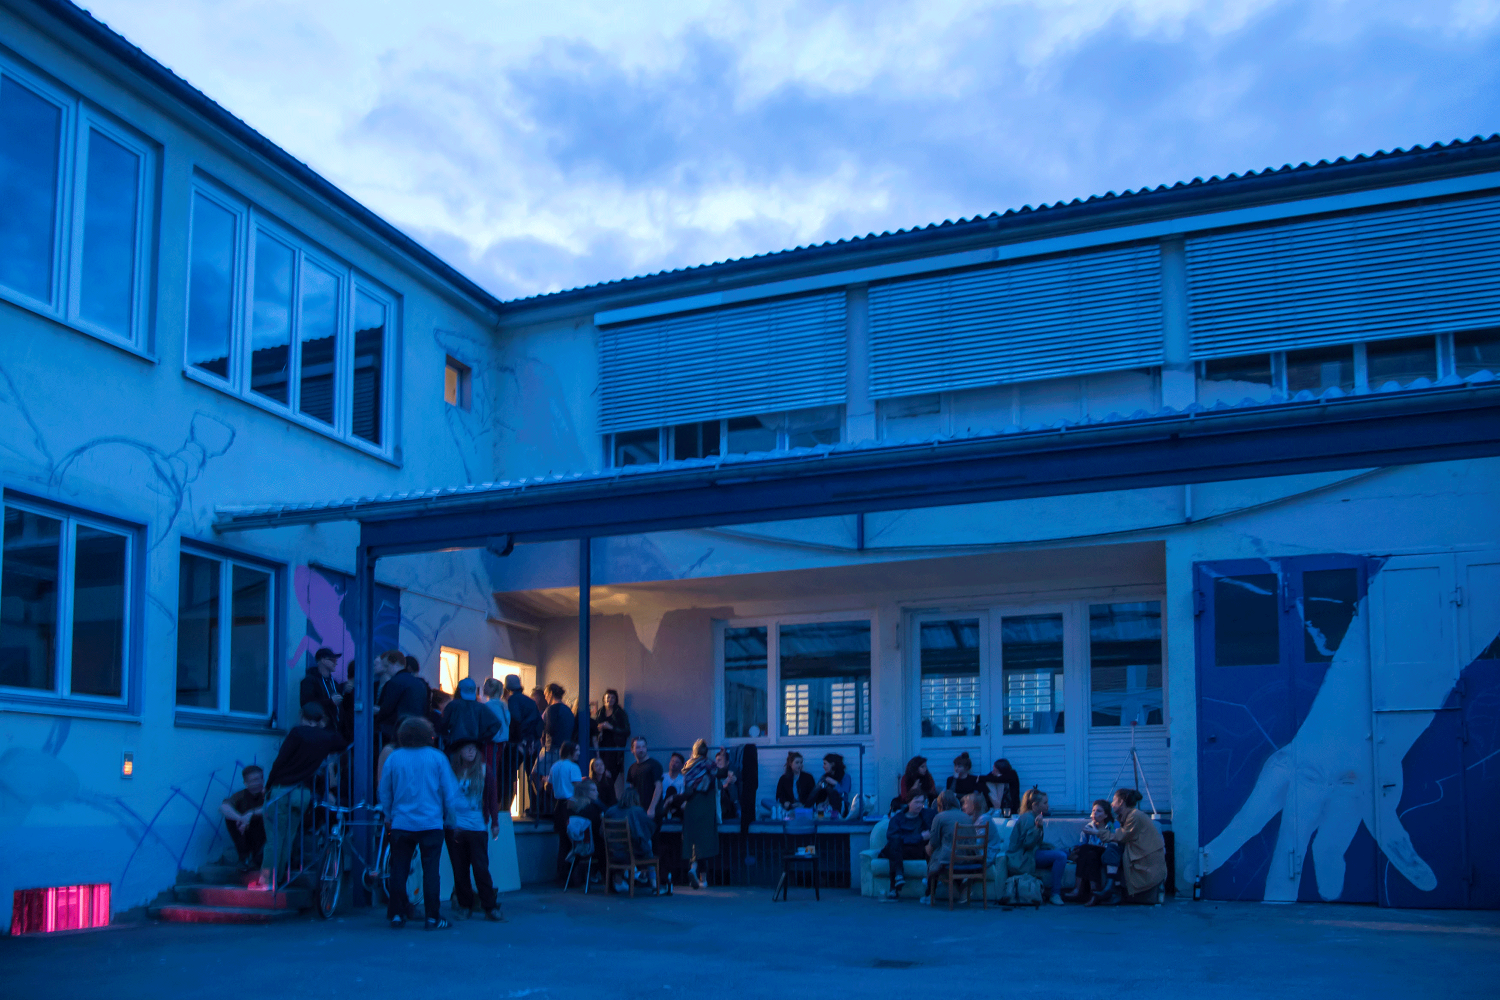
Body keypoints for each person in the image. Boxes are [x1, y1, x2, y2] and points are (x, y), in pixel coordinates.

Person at [379, 716, 466, 930]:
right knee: (430, 871)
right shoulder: (437, 758)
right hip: (431, 823)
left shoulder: (394, 758)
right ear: (428, 735)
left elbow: (385, 791)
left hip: (401, 822)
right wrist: (453, 820)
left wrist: (388, 816)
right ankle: (432, 917)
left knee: (399, 868)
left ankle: (397, 914)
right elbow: (449, 792)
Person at [259, 703, 347, 889]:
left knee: (274, 838)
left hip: (282, 789)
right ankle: (279, 878)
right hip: (303, 792)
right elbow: (341, 743)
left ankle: (267, 880)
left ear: (301, 715)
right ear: (320, 720)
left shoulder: (297, 733)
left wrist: (268, 787)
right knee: (288, 837)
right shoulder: (327, 737)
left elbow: (280, 761)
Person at [444, 740, 503, 921]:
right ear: (459, 751)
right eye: (466, 747)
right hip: (454, 825)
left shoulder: (485, 770)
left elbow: (492, 797)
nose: (471, 751)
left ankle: (489, 906)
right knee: (459, 869)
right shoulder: (452, 772)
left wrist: (494, 822)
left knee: (480, 868)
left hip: (477, 825)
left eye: (474, 748)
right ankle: (465, 905)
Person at [1088, 788, 1167, 906]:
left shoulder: (1134, 816)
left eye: (1114, 800)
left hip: (1144, 860)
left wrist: (1095, 832)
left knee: (1112, 849)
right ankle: (1111, 890)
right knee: (1111, 851)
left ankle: (1111, 890)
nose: (1112, 803)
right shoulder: (1129, 816)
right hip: (1139, 854)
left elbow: (1120, 837)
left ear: (1121, 802)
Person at [1006, 788, 1068, 906]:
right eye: (1045, 803)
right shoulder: (1027, 818)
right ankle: (1055, 894)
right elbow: (1027, 844)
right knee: (1060, 856)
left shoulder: (1034, 816)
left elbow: (1037, 843)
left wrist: (1050, 846)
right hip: (1023, 857)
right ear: (1035, 805)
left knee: (1065, 852)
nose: (1047, 805)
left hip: (1031, 853)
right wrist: (1037, 827)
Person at [679, 739, 719, 889]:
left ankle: (693, 869)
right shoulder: (708, 764)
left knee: (693, 841)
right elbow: (718, 775)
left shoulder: (687, 765)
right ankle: (703, 879)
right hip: (705, 805)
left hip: (690, 805)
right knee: (705, 842)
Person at [881, 789, 933, 900]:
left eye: (922, 802)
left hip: (919, 851)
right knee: (894, 844)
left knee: (895, 846)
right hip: (900, 851)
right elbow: (892, 836)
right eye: (917, 802)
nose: (920, 805)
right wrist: (919, 837)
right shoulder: (897, 819)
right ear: (909, 802)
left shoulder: (926, 816)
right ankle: (897, 876)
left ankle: (896, 882)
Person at [1062, 799, 1116, 904]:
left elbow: (1112, 843)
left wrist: (1096, 833)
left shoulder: (1111, 826)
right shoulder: (1088, 827)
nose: (1095, 813)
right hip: (1092, 856)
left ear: (1105, 815)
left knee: (1087, 850)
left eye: (1099, 811)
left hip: (1105, 855)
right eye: (1094, 810)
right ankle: (1094, 893)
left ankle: (1077, 889)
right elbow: (1082, 844)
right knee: (1088, 853)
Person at [604, 786, 656, 893]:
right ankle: (653, 882)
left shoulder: (611, 811)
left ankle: (622, 879)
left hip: (613, 852)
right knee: (648, 843)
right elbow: (649, 829)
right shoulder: (637, 811)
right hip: (631, 853)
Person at [503, 675, 544, 812]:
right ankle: (535, 807)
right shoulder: (530, 701)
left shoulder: (512, 700)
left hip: (517, 744)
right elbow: (539, 722)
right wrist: (534, 740)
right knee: (531, 775)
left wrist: (518, 739)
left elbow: (515, 721)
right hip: (532, 743)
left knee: (509, 775)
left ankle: (505, 808)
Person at [921, 789, 966, 905]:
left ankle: (930, 890)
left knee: (929, 851)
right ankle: (960, 883)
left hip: (949, 858)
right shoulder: (966, 817)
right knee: (939, 853)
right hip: (966, 858)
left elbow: (934, 842)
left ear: (940, 803)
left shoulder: (940, 817)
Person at [548, 741, 584, 880]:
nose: (579, 753)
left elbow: (549, 785)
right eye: (577, 750)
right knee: (573, 841)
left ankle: (561, 874)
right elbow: (578, 787)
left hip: (559, 805)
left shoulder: (555, 766)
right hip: (571, 804)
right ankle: (572, 875)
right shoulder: (573, 767)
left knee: (563, 841)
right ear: (570, 752)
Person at [375, 650, 426, 745]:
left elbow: (387, 708)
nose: (386, 670)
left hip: (399, 729)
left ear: (395, 664)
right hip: (418, 729)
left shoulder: (394, 682)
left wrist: (377, 715)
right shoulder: (419, 683)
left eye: (387, 666)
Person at [219, 765, 265, 871]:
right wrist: (241, 818)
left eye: (260, 778)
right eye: (254, 780)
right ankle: (244, 857)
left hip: (263, 832)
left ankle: (256, 858)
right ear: (246, 783)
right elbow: (223, 807)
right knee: (230, 818)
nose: (258, 782)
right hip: (246, 832)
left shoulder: (267, 793)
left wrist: (250, 813)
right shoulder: (241, 795)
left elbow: (269, 808)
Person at [437, 677, 500, 750]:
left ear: (459, 690)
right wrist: (482, 738)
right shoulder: (481, 707)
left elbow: (443, 724)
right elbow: (496, 724)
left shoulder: (453, 705)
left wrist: (446, 737)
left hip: (455, 745)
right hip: (474, 746)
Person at [480, 678, 512, 812]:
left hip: (490, 741)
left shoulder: (488, 706)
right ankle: (492, 803)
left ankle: (487, 803)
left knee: (487, 771)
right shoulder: (503, 705)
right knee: (494, 771)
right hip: (500, 742)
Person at [299, 647, 344, 731]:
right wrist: (331, 702)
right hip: (318, 729)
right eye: (333, 660)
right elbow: (307, 704)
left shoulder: (334, 684)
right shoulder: (309, 681)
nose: (336, 663)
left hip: (335, 730)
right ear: (323, 660)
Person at [593, 688, 631, 785]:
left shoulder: (620, 713)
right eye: (608, 697)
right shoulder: (599, 713)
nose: (610, 700)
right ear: (604, 699)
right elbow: (593, 731)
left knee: (610, 777)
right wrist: (599, 729)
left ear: (616, 700)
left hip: (615, 749)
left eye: (613, 698)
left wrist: (611, 727)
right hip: (601, 748)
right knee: (600, 776)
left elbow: (627, 731)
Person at [626, 736, 664, 820]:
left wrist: (652, 808)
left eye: (643, 747)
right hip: (638, 810)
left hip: (652, 811)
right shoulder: (632, 768)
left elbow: (658, 787)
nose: (641, 750)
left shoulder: (654, 765)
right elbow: (631, 789)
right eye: (638, 747)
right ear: (632, 750)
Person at [811, 752, 851, 817]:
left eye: (825, 764)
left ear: (832, 764)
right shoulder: (825, 777)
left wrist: (835, 783)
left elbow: (844, 794)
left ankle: (834, 816)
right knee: (817, 789)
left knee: (831, 791)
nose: (823, 767)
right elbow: (818, 792)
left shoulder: (845, 777)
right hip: (824, 806)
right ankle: (813, 812)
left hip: (839, 807)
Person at [542, 683, 575, 752]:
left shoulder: (551, 709)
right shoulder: (568, 710)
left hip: (552, 749)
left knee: (538, 763)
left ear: (550, 694)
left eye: (545, 694)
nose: (545, 698)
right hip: (565, 749)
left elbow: (549, 729)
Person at [712, 748, 738, 821]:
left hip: (728, 803)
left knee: (732, 784)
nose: (716, 763)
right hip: (717, 802)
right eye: (716, 760)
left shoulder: (731, 772)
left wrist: (731, 781)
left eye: (719, 760)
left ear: (727, 762)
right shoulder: (714, 773)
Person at [659, 752, 687, 820]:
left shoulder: (683, 779)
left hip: (676, 803)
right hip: (662, 803)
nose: (673, 763)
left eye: (677, 762)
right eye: (672, 761)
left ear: (681, 765)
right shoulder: (662, 777)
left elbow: (682, 795)